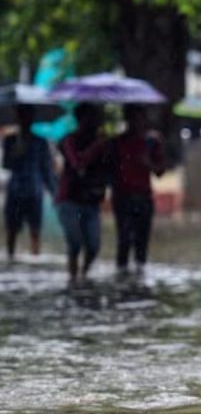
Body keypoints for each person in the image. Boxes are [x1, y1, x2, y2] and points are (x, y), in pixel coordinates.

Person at [109, 104, 166, 275]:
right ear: (127, 120)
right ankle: (122, 275)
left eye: (140, 118)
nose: (137, 122)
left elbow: (160, 171)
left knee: (142, 241)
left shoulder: (152, 141)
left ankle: (139, 277)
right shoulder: (116, 142)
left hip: (143, 196)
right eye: (133, 118)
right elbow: (110, 169)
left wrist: (147, 163)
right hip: (122, 197)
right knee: (124, 240)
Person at [56, 103, 109, 283]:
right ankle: (72, 279)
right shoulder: (69, 140)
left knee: (93, 246)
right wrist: (96, 146)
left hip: (91, 201)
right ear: (82, 119)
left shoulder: (103, 143)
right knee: (75, 243)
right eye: (92, 118)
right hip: (69, 200)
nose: (96, 122)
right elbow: (78, 163)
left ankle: (83, 276)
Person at [2, 104, 57, 260]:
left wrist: (54, 192)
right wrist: (15, 153)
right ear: (18, 118)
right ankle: (11, 258)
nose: (25, 119)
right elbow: (6, 165)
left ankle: (35, 259)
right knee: (12, 230)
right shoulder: (10, 140)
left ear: (32, 118)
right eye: (22, 115)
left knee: (35, 230)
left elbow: (46, 168)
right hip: (15, 191)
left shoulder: (40, 142)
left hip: (34, 191)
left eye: (28, 116)